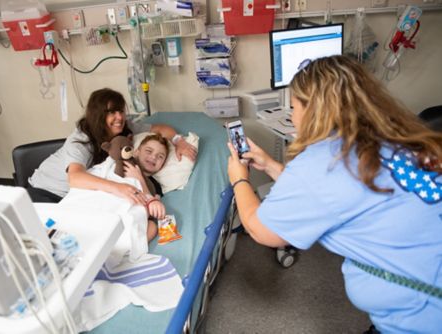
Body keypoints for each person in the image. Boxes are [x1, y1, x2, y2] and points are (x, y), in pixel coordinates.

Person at [227, 55, 442, 333]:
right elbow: (336, 196)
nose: (292, 116)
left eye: (293, 107)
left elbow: (260, 230)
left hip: (422, 315)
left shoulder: (325, 161)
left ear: (313, 110)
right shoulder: (392, 136)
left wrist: (239, 180)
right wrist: (271, 166)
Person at [28, 88, 197, 205]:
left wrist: (178, 141)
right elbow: (75, 178)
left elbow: (160, 128)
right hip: (47, 192)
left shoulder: (124, 129)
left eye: (121, 111)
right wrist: (119, 189)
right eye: (111, 112)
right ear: (98, 116)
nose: (119, 117)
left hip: (78, 198)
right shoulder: (81, 139)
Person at [124, 133, 169, 241]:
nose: (153, 157)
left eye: (160, 156)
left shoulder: (155, 185)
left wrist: (140, 180)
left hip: (130, 216)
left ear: (162, 165)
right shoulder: (124, 164)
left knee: (152, 228)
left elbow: (154, 209)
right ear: (136, 152)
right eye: (149, 151)